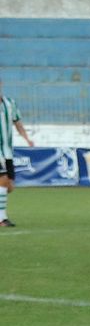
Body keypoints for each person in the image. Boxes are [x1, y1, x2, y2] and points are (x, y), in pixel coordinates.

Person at [0, 77, 35, 228]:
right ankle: (2, 219)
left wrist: (27, 138)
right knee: (3, 179)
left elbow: (17, 122)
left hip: (7, 151)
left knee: (9, 187)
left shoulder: (10, 103)